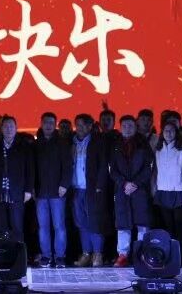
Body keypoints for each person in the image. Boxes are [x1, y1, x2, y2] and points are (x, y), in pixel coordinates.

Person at [111, 115, 153, 267]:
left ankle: (142, 254)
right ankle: (123, 254)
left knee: (142, 223)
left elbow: (149, 167)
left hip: (139, 189)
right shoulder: (116, 145)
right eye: (124, 126)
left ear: (135, 127)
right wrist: (124, 183)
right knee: (123, 224)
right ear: (120, 127)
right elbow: (112, 169)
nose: (127, 128)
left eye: (130, 125)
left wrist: (135, 183)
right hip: (122, 190)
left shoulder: (143, 144)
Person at [0, 116, 34, 242]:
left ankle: (17, 252)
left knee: (17, 225)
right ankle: (3, 252)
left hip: (17, 192)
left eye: (11, 126)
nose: (8, 129)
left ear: (16, 128)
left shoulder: (24, 146)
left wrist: (28, 190)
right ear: (1, 129)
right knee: (0, 226)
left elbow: (30, 170)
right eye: (6, 126)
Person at [69, 114, 108, 268]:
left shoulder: (97, 142)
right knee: (81, 223)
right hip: (77, 189)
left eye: (82, 125)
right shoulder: (71, 142)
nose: (79, 128)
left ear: (90, 126)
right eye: (77, 125)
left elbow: (103, 165)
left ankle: (97, 254)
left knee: (95, 222)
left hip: (92, 189)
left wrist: (99, 186)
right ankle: (86, 253)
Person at [153, 120, 182, 259]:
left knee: (180, 226)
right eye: (166, 131)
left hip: (179, 192)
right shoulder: (158, 151)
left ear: (176, 133)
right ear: (162, 133)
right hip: (163, 192)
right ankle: (170, 255)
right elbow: (156, 171)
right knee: (168, 226)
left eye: (172, 131)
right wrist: (155, 189)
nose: (169, 133)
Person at [34, 112, 71, 268]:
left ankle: (60, 256)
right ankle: (46, 256)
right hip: (41, 192)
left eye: (51, 123)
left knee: (59, 226)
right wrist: (33, 188)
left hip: (58, 192)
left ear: (55, 124)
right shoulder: (36, 144)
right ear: (41, 124)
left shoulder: (62, 143)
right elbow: (32, 168)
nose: (48, 125)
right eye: (45, 122)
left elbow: (68, 166)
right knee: (43, 227)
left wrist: (64, 184)